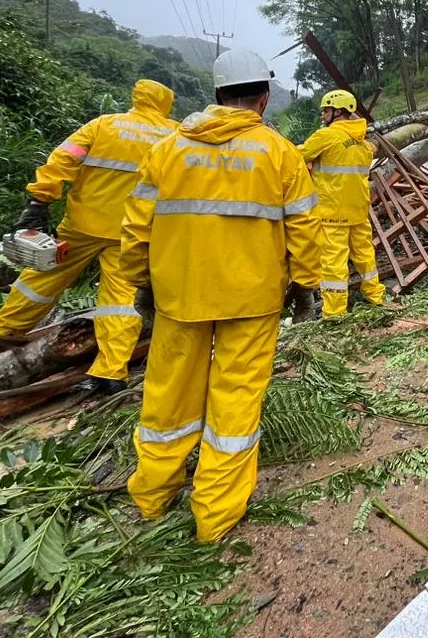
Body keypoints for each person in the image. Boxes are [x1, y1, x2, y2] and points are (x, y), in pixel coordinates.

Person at [121, 49, 322, 542]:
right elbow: (305, 229)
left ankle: (151, 496)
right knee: (235, 402)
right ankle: (214, 517)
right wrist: (305, 286)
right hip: (252, 303)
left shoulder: (169, 149)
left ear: (216, 95)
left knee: (167, 399)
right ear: (264, 97)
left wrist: (140, 284)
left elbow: (135, 226)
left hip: (179, 296)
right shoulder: (279, 153)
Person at [0, 79, 178, 392]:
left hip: (82, 226)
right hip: (131, 232)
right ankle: (110, 371)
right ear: (166, 104)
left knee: (39, 281)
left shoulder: (103, 126)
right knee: (120, 302)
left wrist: (39, 200)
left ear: (136, 98)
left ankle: (0, 335)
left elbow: (62, 160)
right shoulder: (173, 136)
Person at [298, 89, 387, 319]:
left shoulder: (325, 136)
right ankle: (376, 297)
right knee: (366, 257)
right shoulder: (362, 141)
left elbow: (298, 156)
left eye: (326, 110)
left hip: (332, 213)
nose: (323, 115)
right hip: (358, 210)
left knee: (334, 264)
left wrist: (309, 163)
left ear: (338, 111)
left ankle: (335, 314)